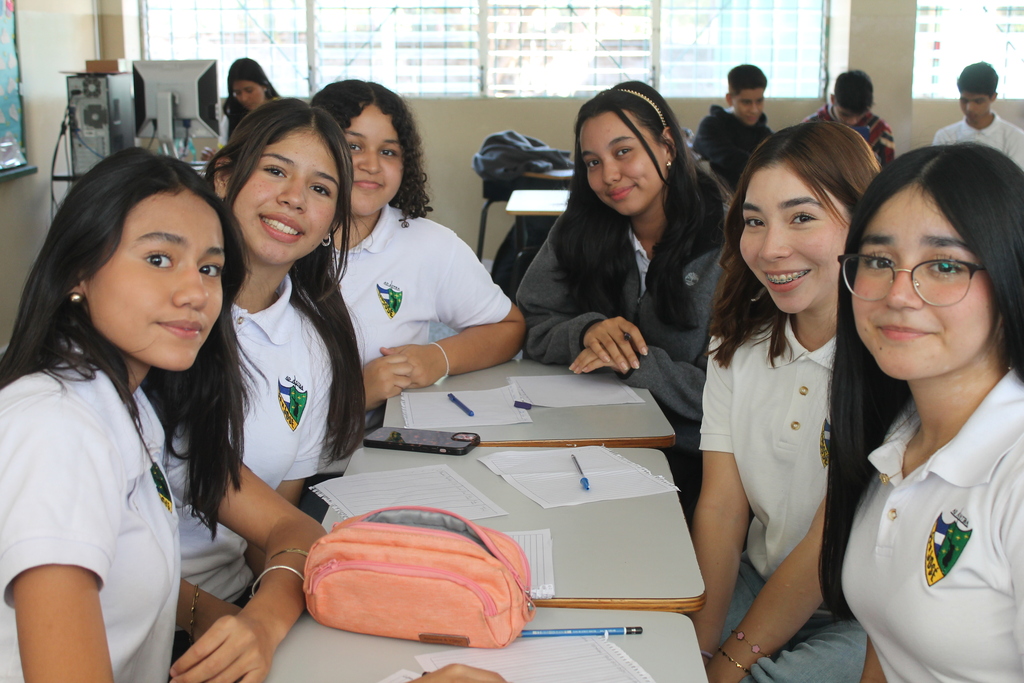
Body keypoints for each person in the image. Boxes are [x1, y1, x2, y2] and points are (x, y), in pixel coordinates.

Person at [0, 148, 248, 681]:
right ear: (79, 271)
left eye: (210, 268)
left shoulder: (129, 403)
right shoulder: (56, 428)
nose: (196, 293)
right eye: (159, 259)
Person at [821, 143, 1024, 682]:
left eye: (943, 265)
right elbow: (887, 649)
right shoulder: (898, 434)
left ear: (1010, 280)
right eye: (879, 261)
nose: (899, 294)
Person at [174, 97, 365, 669]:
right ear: (225, 175)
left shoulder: (315, 339)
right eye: (276, 170)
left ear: (334, 221)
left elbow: (279, 527)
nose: (293, 198)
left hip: (237, 600)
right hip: (140, 607)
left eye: (321, 188)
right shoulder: (169, 323)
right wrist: (229, 624)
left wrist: (275, 614)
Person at [693, 122, 878, 682]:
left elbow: (827, 548)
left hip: (864, 614)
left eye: (802, 217)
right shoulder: (736, 343)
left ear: (866, 222)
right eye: (754, 221)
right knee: (654, 644)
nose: (771, 248)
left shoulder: (892, 359)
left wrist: (726, 663)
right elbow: (723, 509)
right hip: (761, 579)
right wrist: (697, 651)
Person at [516, 81, 726, 508]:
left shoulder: (729, 242)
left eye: (623, 151)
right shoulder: (580, 228)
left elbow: (729, 394)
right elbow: (531, 322)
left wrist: (632, 358)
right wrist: (587, 331)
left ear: (667, 145)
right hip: (583, 436)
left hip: (690, 460)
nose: (608, 175)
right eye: (592, 161)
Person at [310, 80, 525, 419]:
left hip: (379, 449)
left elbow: (508, 328)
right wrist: (355, 395)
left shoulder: (429, 245)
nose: (371, 164)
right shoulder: (281, 243)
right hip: (282, 461)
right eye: (353, 146)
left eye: (388, 151)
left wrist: (438, 357)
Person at [692, 65, 773, 190]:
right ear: (730, 99)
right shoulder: (711, 127)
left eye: (759, 101)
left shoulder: (765, 134)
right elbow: (731, 159)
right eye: (746, 102)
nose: (754, 109)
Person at [932, 62, 1024, 170]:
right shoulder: (945, 136)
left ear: (993, 97)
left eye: (978, 101)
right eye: (964, 100)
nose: (969, 108)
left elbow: (1016, 181)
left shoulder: (1015, 138)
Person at [803, 70, 895, 167]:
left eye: (860, 115)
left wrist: (874, 165)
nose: (853, 121)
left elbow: (888, 176)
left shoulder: (880, 130)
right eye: (845, 115)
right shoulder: (809, 128)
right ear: (833, 99)